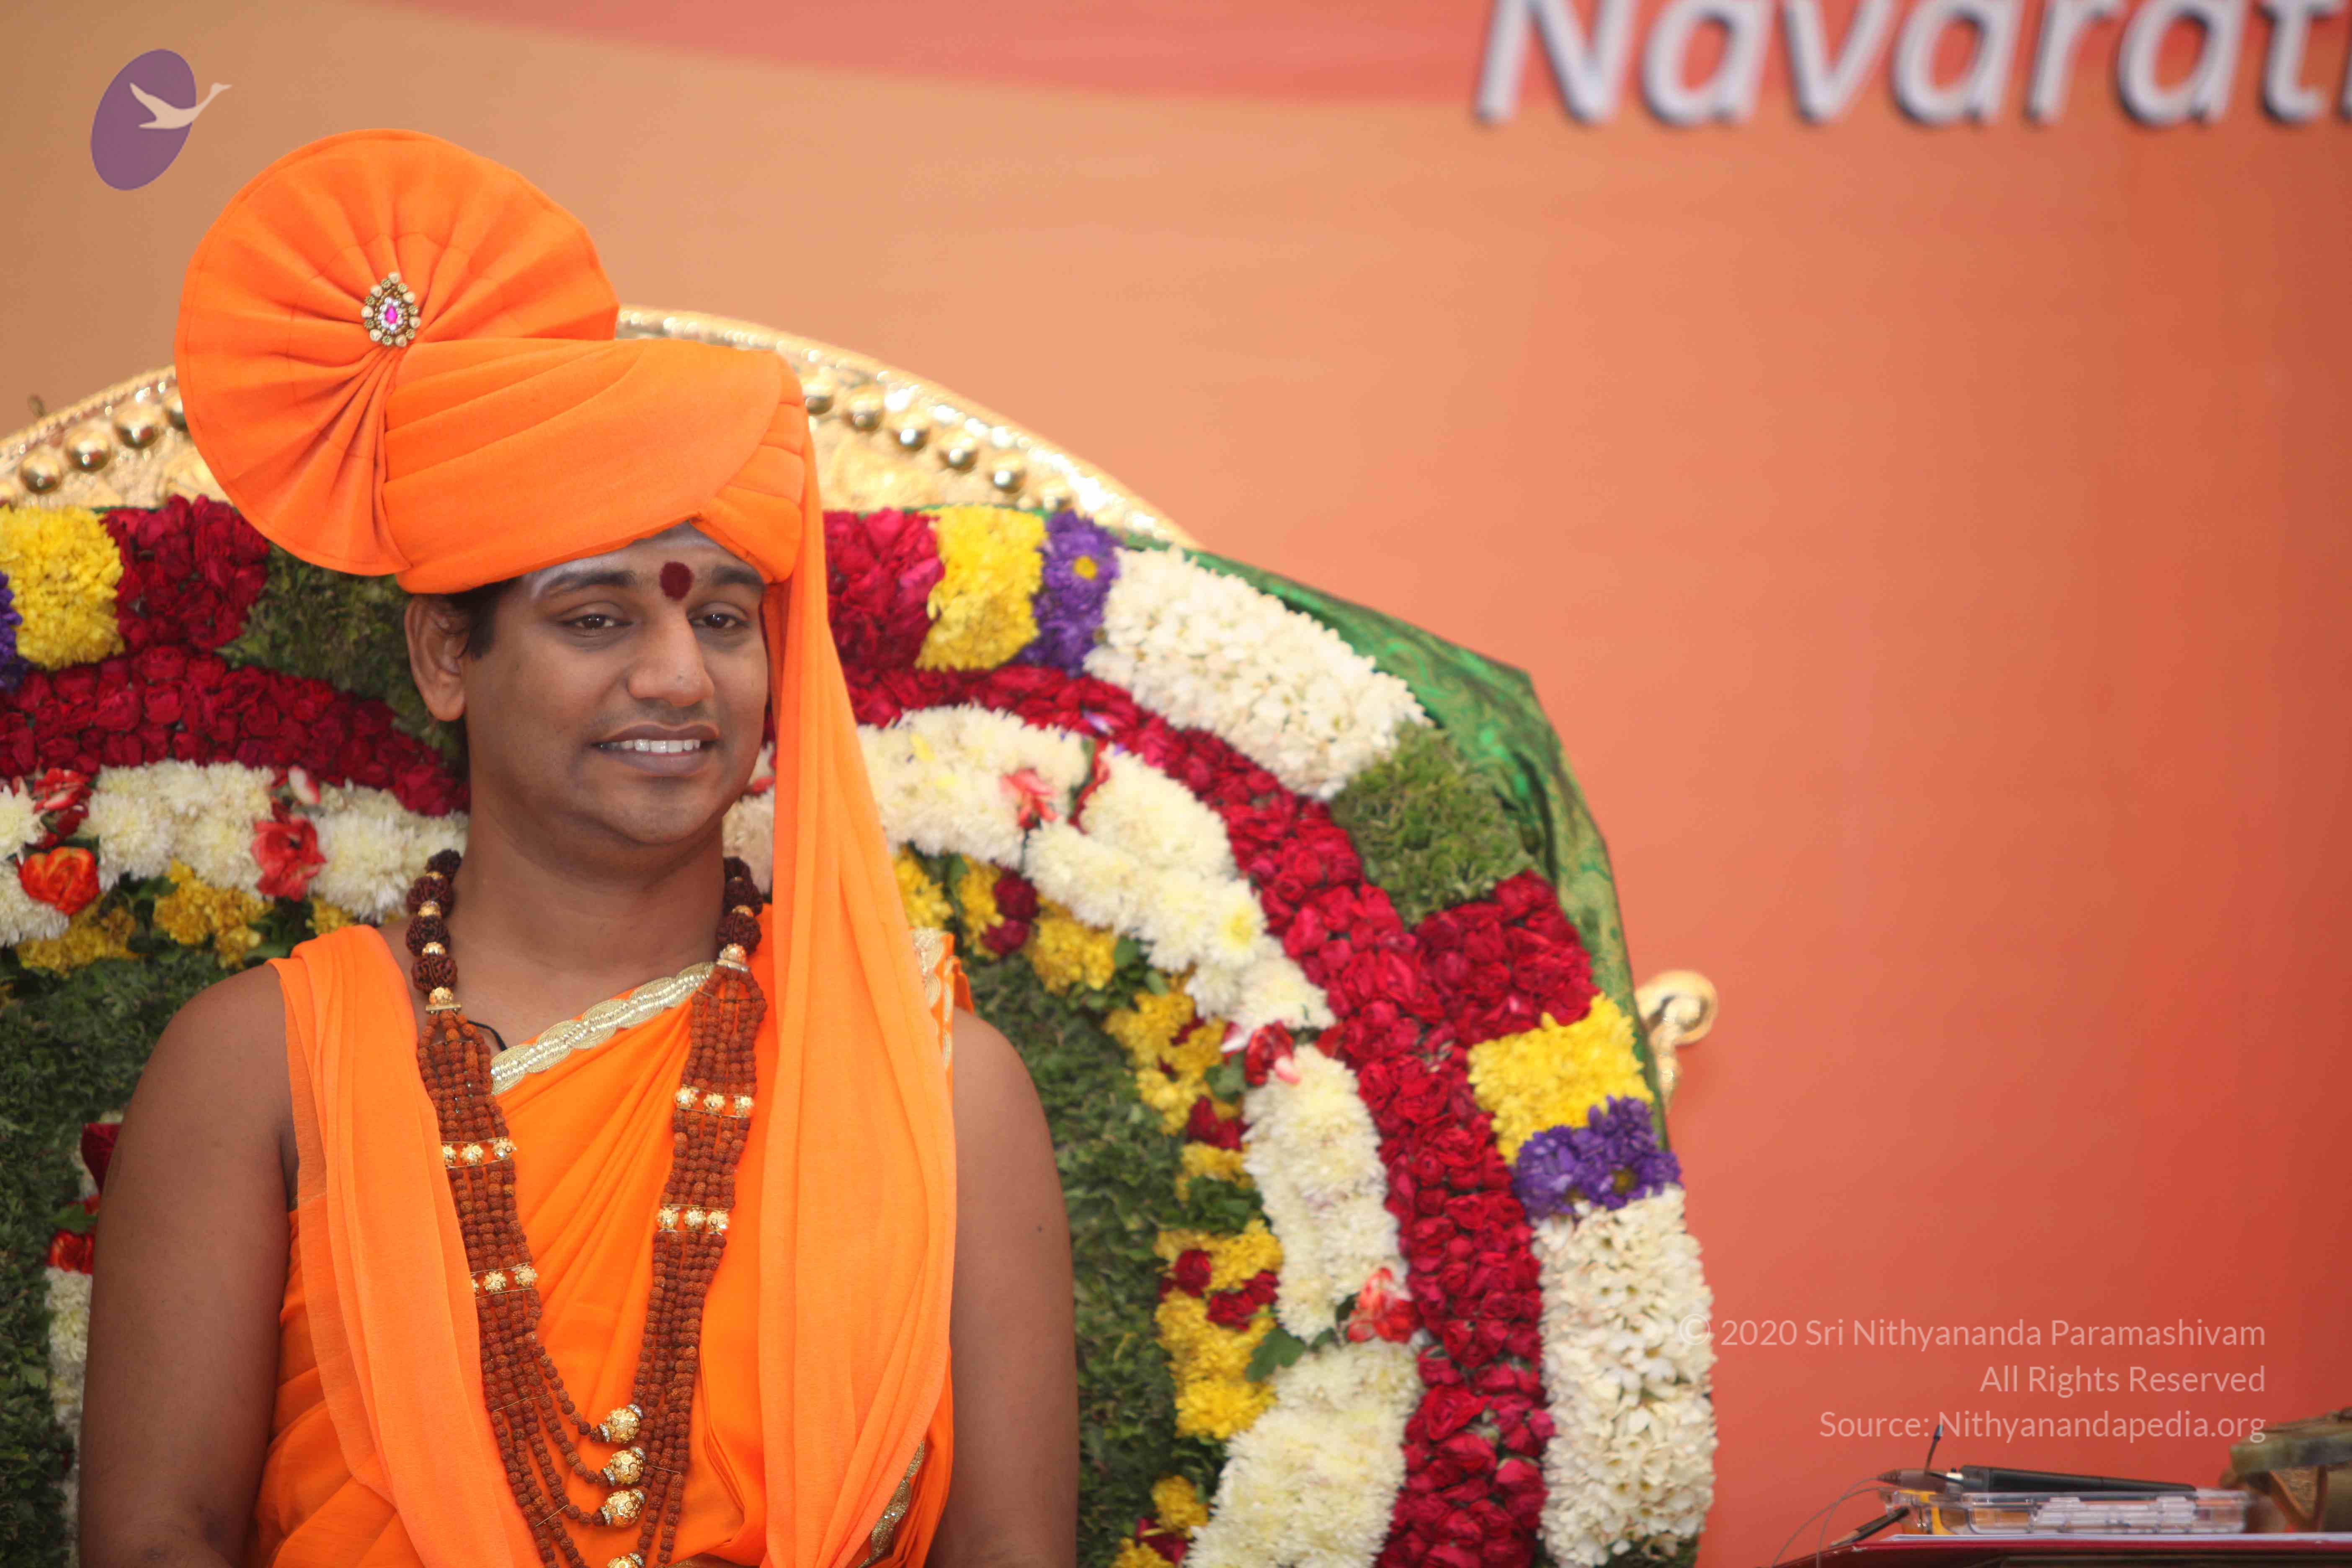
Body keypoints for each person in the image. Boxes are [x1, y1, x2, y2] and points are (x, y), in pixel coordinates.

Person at [75, 129, 1077, 1568]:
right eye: (598, 618)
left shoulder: (935, 1083)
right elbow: (155, 1538)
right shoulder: (259, 1067)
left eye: (722, 617)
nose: (678, 676)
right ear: (447, 654)